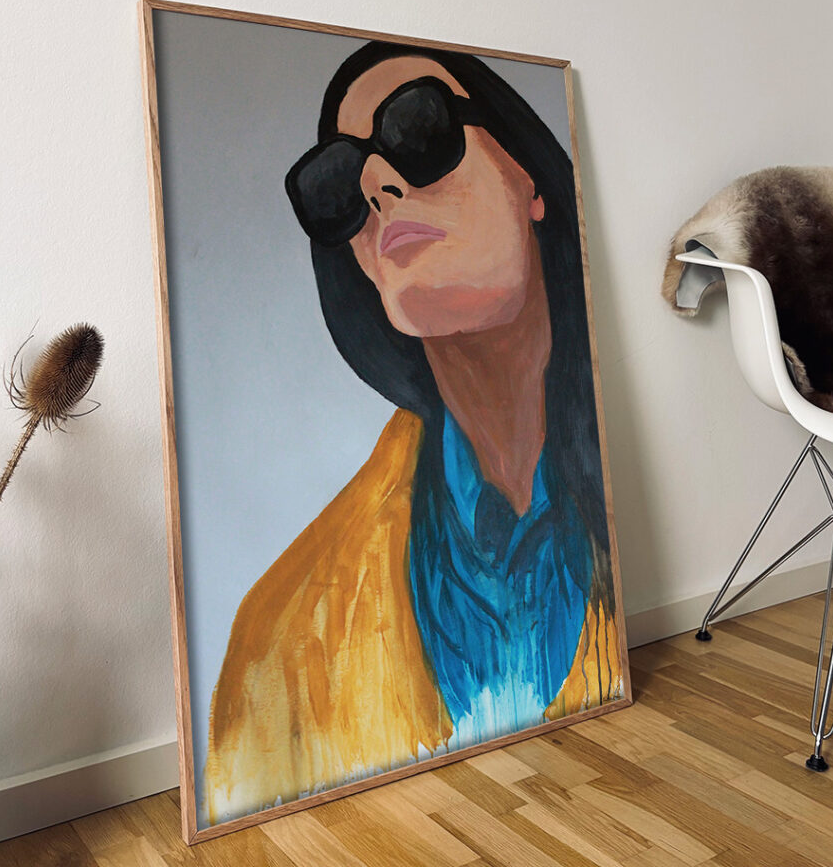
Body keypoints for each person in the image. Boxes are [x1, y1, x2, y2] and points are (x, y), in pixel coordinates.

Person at [205, 41, 622, 825]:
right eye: (336, 187)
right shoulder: (277, 645)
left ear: (529, 180)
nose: (377, 187)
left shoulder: (621, 484)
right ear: (360, 263)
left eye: (417, 128)